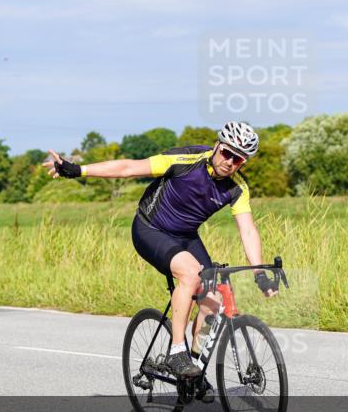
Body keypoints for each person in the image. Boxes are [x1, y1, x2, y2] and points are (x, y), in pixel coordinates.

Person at [43, 121, 277, 386]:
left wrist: (259, 272)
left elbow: (247, 230)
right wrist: (78, 170)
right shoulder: (185, 160)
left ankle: (192, 371)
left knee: (213, 300)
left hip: (186, 237)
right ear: (217, 146)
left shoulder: (238, 187)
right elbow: (129, 168)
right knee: (191, 274)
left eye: (239, 160)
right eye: (227, 153)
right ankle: (176, 351)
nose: (230, 162)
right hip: (150, 229)